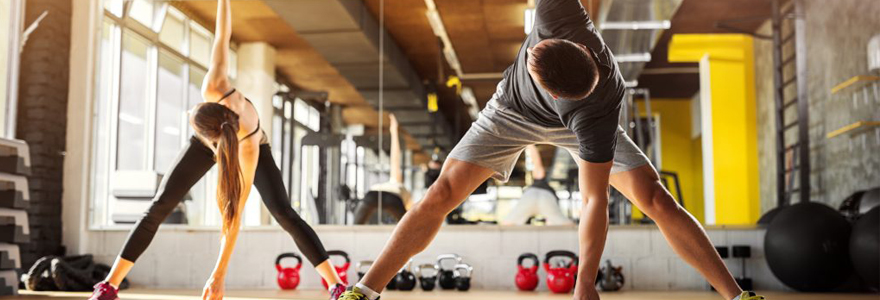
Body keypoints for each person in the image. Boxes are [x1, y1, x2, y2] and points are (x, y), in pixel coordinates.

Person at [336, 0, 765, 299]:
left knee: (656, 198)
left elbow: (595, 199)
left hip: (572, 125)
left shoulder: (596, 112)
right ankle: (365, 289)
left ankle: (737, 295)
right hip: (509, 109)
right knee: (441, 193)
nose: (531, 50)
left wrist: (586, 279)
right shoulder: (558, 11)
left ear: (558, 95)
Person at [88, 1, 346, 299]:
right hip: (217, 135)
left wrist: (218, 275)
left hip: (250, 146)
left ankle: (336, 284)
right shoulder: (215, 85)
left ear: (209, 136)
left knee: (283, 211)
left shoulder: (248, 148)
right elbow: (222, 36)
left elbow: (233, 216)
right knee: (159, 204)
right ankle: (109, 285)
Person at [353, 114, 411, 224]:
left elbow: (395, 159)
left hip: (372, 195)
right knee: (405, 225)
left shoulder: (396, 182)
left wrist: (394, 131)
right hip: (393, 198)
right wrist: (394, 131)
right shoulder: (400, 186)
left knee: (356, 225)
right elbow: (412, 211)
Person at [501, 145, 573, 226]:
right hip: (546, 198)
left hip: (531, 196)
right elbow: (537, 165)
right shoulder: (543, 184)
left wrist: (530, 146)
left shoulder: (540, 181)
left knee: (507, 223)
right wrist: (531, 146)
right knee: (565, 224)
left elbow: (537, 165)